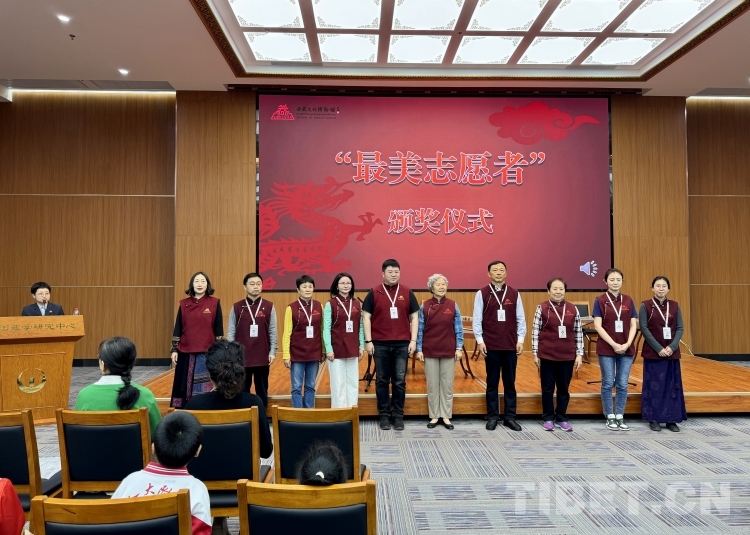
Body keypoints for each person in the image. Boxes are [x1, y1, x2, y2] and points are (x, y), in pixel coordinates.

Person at [112, 411, 211, 535]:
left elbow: (109, 521)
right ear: (197, 451)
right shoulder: (197, 489)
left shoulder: (130, 481)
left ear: (153, 448)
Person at [185, 340, 273, 457]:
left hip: (202, 469)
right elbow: (266, 451)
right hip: (243, 469)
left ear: (210, 373)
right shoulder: (254, 403)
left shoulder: (194, 405)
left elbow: (187, 450)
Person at [362, 259, 419, 431]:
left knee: (399, 381)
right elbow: (366, 317)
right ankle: (384, 415)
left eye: (396, 272)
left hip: (402, 344)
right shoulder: (374, 292)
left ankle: (398, 415)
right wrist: (368, 341)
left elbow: (414, 317)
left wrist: (413, 340)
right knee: (382, 381)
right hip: (380, 344)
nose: (393, 275)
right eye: (390, 272)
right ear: (383, 273)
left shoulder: (407, 292)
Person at [472, 260, 526, 431]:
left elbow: (521, 318)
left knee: (510, 383)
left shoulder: (514, 293)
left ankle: (510, 417)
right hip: (491, 345)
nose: (498, 273)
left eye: (501, 270)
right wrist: (480, 341)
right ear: (489, 274)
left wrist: (520, 340)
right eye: (495, 270)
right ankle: (493, 416)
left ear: (506, 273)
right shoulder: (482, 293)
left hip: (510, 345)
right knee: (492, 383)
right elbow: (477, 319)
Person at [75, 336, 161, 436]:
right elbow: (158, 435)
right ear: (132, 363)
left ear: (103, 364)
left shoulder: (84, 395)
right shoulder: (145, 395)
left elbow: (77, 434)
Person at [531, 278, 584, 432]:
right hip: (547, 355)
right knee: (547, 389)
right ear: (549, 291)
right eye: (555, 289)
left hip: (567, 356)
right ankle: (548, 418)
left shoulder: (573, 309)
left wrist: (579, 354)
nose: (558, 292)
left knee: (563, 389)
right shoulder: (541, 308)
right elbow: (535, 332)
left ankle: (561, 418)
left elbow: (578, 332)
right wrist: (535, 353)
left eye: (561, 289)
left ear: (565, 291)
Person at [415, 274, 463, 430]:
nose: (442, 287)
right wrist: (419, 349)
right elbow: (420, 330)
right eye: (438, 284)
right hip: (430, 350)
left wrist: (459, 348)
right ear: (431, 288)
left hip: (449, 350)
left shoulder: (453, 305)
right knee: (432, 385)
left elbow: (459, 329)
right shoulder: (425, 306)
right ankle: (434, 415)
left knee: (447, 385)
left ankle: (446, 415)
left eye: (444, 284)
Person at [639, 276, 686, 432]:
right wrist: (658, 348)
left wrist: (672, 346)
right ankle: (654, 418)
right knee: (654, 387)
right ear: (652, 288)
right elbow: (644, 328)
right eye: (658, 286)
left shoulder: (675, 306)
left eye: (664, 286)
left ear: (668, 289)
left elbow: (680, 328)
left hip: (671, 353)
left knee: (672, 387)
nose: (661, 288)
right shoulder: (645, 306)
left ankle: (671, 419)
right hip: (653, 353)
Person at [170, 272, 223, 408]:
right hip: (185, 351)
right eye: (197, 281)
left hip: (207, 352)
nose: (200, 284)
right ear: (192, 284)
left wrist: (219, 351)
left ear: (207, 284)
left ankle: (204, 407)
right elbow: (178, 327)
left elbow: (218, 329)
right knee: (183, 384)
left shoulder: (214, 303)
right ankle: (183, 409)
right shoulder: (184, 304)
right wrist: (174, 349)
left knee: (207, 384)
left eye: (203, 281)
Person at [594, 268, 638, 431]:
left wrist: (627, 343)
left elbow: (633, 324)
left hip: (626, 348)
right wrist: (613, 344)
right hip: (607, 348)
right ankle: (609, 415)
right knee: (607, 382)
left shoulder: (628, 300)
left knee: (622, 383)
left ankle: (619, 414)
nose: (615, 282)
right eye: (612, 279)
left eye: (618, 279)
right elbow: (597, 326)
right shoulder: (600, 300)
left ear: (622, 281)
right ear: (605, 282)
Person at [226, 273, 277, 408]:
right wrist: (231, 353)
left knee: (262, 390)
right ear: (245, 287)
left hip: (262, 356)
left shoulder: (269, 306)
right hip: (241, 357)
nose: (256, 287)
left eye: (258, 284)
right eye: (252, 284)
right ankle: (245, 415)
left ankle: (262, 415)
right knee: (242, 390)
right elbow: (231, 332)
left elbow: (273, 331)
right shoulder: (237, 307)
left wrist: (272, 351)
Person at [323, 273, 365, 409]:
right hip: (336, 350)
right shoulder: (331, 304)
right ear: (337, 286)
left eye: (348, 283)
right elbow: (326, 328)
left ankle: (352, 412)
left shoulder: (357, 303)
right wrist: (328, 349)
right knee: (338, 384)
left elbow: (360, 327)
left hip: (353, 348)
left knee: (353, 383)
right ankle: (339, 414)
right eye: (342, 283)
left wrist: (361, 346)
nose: (346, 285)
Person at [282, 275, 325, 408]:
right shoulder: (291, 308)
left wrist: (323, 350)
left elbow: (322, 330)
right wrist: (286, 355)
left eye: (310, 286)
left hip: (314, 352)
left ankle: (309, 412)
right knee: (296, 387)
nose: (307, 289)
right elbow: (287, 333)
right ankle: (297, 414)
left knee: (310, 385)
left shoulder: (319, 306)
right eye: (304, 287)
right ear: (298, 289)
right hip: (297, 354)